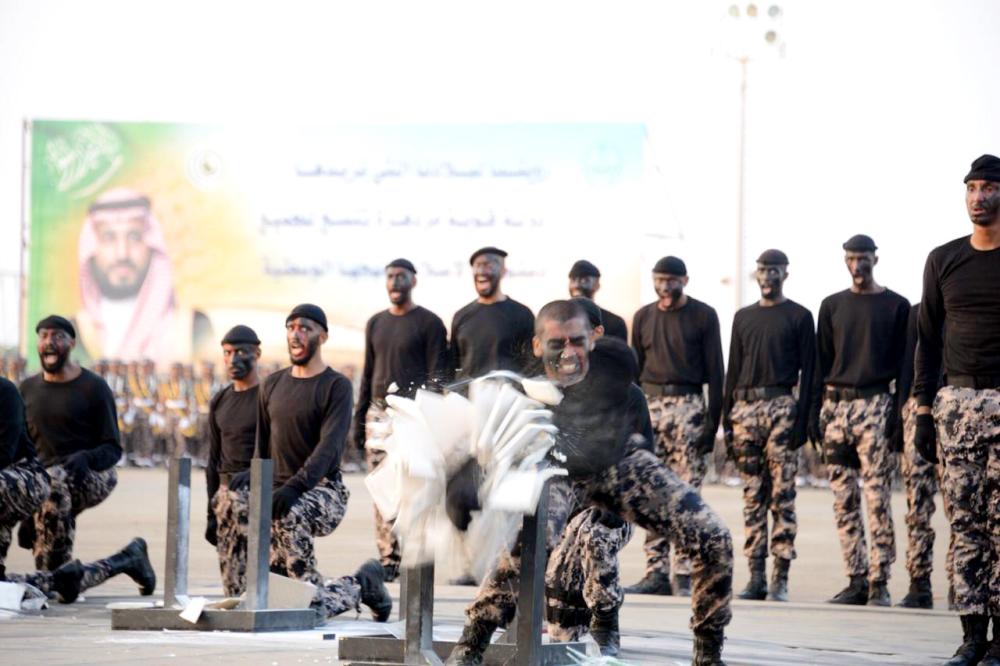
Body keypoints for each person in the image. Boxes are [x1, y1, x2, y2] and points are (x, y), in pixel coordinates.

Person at [446, 300, 733, 666]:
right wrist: (466, 478)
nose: (569, 352)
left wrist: (614, 513)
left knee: (713, 537)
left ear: (592, 341)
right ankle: (473, 641)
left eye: (577, 342)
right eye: (557, 344)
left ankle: (708, 652)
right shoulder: (521, 387)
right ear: (537, 345)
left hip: (616, 464)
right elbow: (492, 437)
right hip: (557, 472)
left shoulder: (615, 368)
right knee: (529, 541)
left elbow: (643, 447)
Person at [914, 154, 1000, 665]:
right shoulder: (943, 259)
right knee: (966, 524)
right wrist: (923, 411)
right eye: (971, 188)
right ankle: (971, 637)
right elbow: (926, 340)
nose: (978, 197)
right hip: (957, 407)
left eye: (988, 187)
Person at [255, 304, 391, 622]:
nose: (296, 334)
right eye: (291, 327)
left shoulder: (335, 386)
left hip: (323, 491)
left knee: (304, 603)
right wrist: (256, 489)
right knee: (273, 595)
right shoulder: (271, 385)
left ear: (323, 337)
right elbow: (261, 450)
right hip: (279, 493)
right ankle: (362, 585)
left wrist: (294, 487)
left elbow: (329, 448)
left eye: (305, 328)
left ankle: (319, 597)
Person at [809, 234, 910, 606]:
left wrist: (898, 418)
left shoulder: (897, 306)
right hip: (836, 407)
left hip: (876, 404)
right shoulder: (831, 305)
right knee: (843, 498)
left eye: (863, 258)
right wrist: (814, 414)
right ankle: (855, 578)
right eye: (851, 258)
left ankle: (879, 581)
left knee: (877, 497)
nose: (857, 265)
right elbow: (820, 362)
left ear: (875, 260)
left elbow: (905, 367)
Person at [543, 304, 648, 656]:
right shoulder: (550, 393)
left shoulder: (628, 394)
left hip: (612, 506)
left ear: (595, 337)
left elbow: (644, 459)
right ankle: (561, 635)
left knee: (595, 536)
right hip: (565, 505)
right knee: (562, 616)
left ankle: (605, 623)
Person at [1, 377, 154, 602]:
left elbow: (112, 449)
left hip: (69, 475)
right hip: (38, 479)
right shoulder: (29, 388)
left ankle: (61, 577)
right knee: (49, 585)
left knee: (55, 484)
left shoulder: (93, 387)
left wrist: (87, 458)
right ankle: (122, 561)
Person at [626, 256, 724, 597]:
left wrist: (711, 425)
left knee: (685, 494)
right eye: (659, 280)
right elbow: (633, 374)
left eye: (671, 280)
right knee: (651, 490)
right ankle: (655, 571)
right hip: (651, 407)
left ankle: (683, 572)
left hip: (689, 407)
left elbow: (717, 372)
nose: (665, 287)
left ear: (685, 280)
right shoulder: (643, 316)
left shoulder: (704, 315)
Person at [722, 249, 815, 602]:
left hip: (781, 408)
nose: (768, 276)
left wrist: (803, 421)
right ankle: (756, 576)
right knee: (752, 495)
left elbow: (811, 373)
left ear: (784, 274)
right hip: (744, 410)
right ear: (757, 274)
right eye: (763, 270)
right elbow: (733, 369)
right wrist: (727, 421)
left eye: (774, 270)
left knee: (782, 495)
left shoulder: (799, 316)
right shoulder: (743, 317)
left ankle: (780, 577)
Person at [352, 258, 449, 583]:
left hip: (414, 416)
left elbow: (438, 378)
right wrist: (359, 420)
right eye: (391, 276)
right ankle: (389, 559)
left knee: (415, 490)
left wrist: (432, 423)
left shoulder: (430, 323)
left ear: (413, 281)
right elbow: (368, 374)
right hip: (378, 416)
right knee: (382, 489)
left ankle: (415, 556)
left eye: (401, 276)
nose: (395, 281)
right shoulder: (376, 323)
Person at [73, 187, 213, 366]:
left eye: (134, 237)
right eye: (108, 238)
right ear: (91, 248)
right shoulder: (74, 332)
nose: (122, 253)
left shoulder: (191, 326)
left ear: (152, 246)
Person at [202, 326, 262, 596]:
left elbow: (276, 451)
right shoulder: (221, 400)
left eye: (240, 352)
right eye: (227, 353)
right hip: (226, 500)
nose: (232, 359)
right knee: (233, 591)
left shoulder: (267, 397)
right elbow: (214, 460)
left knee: (268, 584)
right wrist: (210, 514)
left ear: (256, 354)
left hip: (259, 495)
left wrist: (254, 475)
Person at [450, 247, 535, 382]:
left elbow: (532, 364)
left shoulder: (522, 314)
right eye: (477, 266)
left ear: (503, 271)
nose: (481, 271)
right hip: (467, 394)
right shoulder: (461, 316)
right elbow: (453, 364)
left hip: (508, 394)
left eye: (488, 265)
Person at [567, 259, 628, 341]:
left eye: (585, 280)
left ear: (597, 285)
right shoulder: (556, 320)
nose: (577, 285)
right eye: (573, 280)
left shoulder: (615, 323)